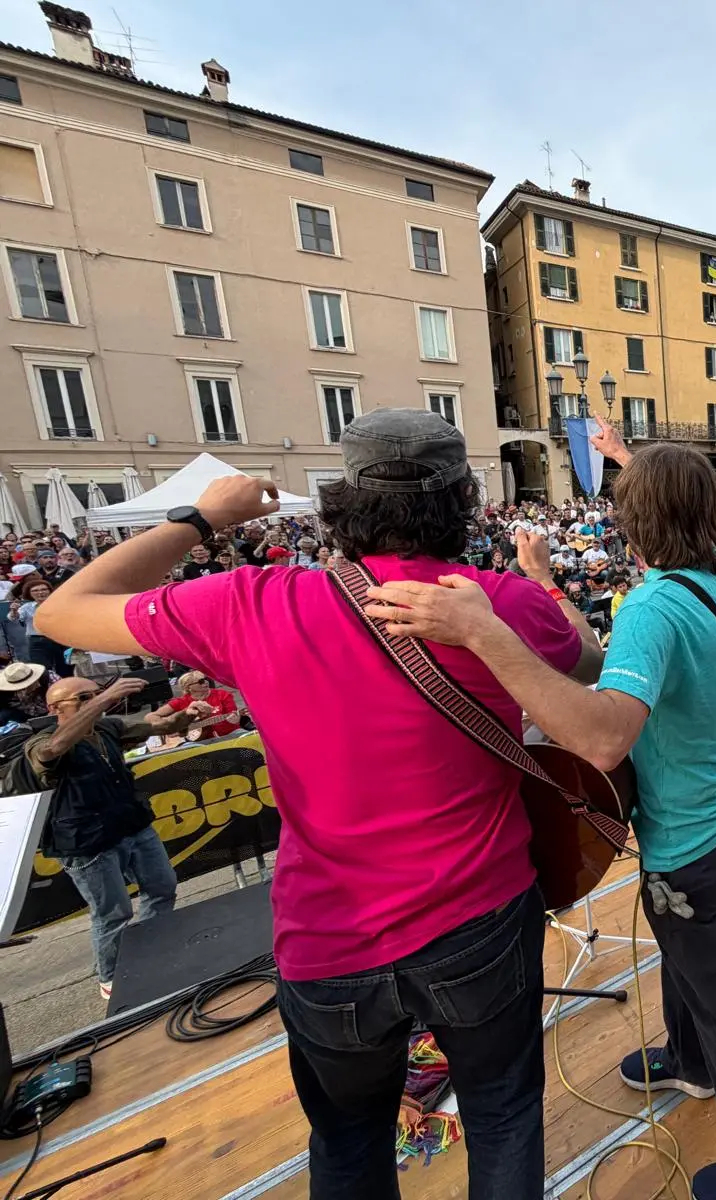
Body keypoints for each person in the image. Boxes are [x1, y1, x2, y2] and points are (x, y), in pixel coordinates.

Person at [34, 408, 604, 1196]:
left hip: (330, 941)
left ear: (340, 502)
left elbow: (57, 612)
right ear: (465, 501)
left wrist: (204, 518)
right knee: (503, 1115)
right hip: (480, 919)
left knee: (347, 1141)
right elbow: (587, 657)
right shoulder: (500, 603)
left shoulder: (253, 602)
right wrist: (539, 578)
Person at [362, 422, 716, 1200]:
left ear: (633, 522)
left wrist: (484, 631)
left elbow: (604, 738)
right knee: (693, 958)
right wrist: (611, 479)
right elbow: (612, 664)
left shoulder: (652, 605)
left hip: (691, 838)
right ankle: (692, 1064)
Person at [18, 676, 208, 997]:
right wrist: (102, 701)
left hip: (131, 826)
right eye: (82, 698)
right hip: (87, 841)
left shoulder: (108, 730)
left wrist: (187, 715)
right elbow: (52, 751)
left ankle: (151, 953)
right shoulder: (44, 740)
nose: (94, 701)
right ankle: (113, 979)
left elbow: (162, 727)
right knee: (112, 912)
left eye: (94, 694)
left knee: (162, 887)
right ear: (54, 709)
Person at [154, 670, 241, 739]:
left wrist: (235, 719)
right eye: (201, 681)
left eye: (206, 679)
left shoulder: (222, 695)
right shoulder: (180, 702)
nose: (206, 682)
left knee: (242, 734)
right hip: (199, 740)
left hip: (228, 734)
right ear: (189, 687)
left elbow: (234, 716)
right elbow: (155, 716)